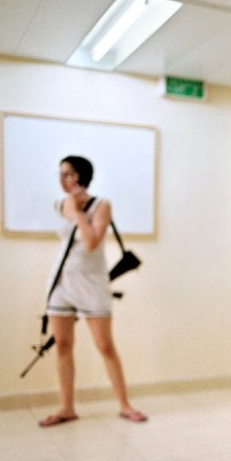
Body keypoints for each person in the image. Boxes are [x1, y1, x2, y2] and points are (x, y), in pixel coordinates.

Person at [39, 155, 147, 427]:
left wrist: (77, 212)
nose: (62, 180)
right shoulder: (58, 204)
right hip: (61, 283)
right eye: (60, 174)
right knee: (62, 345)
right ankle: (66, 407)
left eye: (68, 174)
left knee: (105, 345)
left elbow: (91, 242)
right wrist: (70, 208)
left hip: (92, 284)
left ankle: (125, 405)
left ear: (81, 176)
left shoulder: (101, 205)